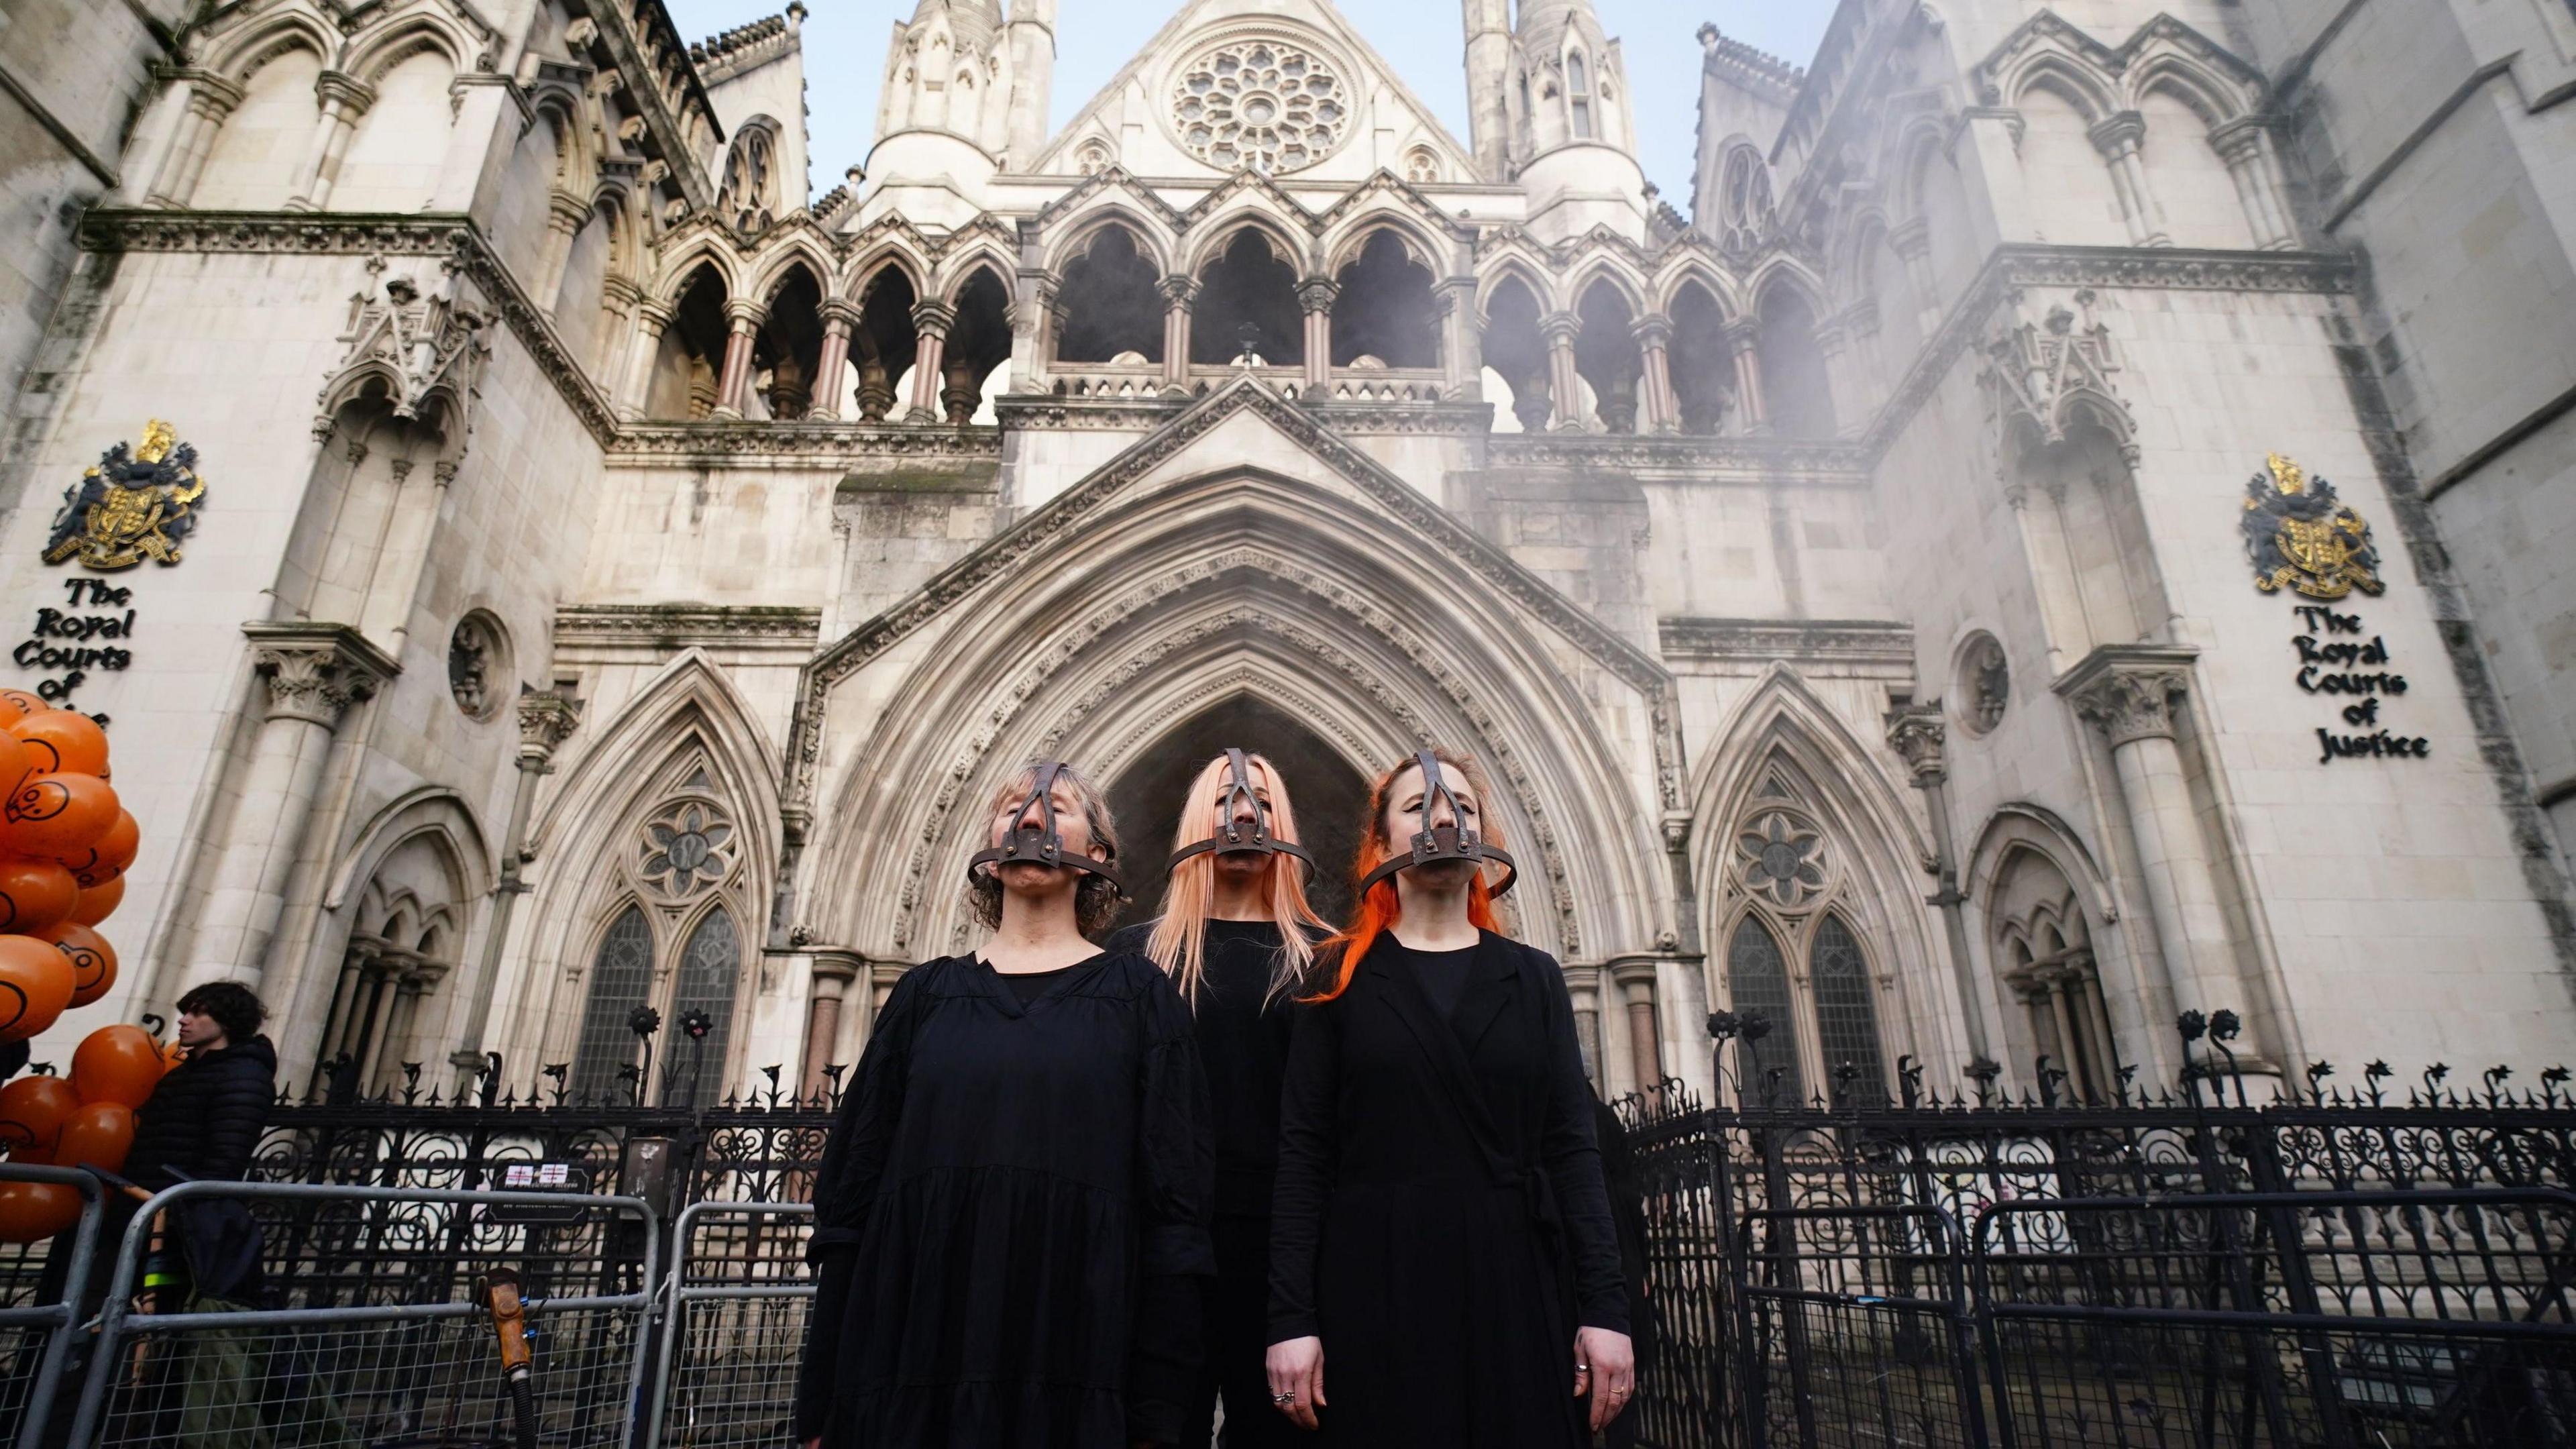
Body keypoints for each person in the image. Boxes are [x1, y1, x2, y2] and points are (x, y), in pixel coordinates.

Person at [796, 760, 1216, 1449]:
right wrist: (820, 1404)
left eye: (1059, 806)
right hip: (915, 1356)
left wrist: (1156, 1414)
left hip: (1075, 1357)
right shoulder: (924, 998)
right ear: (988, 854)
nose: (1032, 818)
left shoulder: (1140, 997)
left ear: (1098, 857)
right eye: (1015, 805)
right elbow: (849, 1203)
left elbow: (1177, 1210)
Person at [1266, 750, 1633, 1446]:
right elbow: (1303, 1156)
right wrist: (1292, 1320)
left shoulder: (1534, 978)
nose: (1444, 818)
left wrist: (1606, 1310)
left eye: (1462, 807)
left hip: (1514, 1280)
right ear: (1379, 845)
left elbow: (1573, 1150)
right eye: (1418, 808)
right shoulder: (1334, 979)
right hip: (1376, 1281)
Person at [1108, 750, 1332, 1449]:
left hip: (1284, 1253)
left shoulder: (1326, 960)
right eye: (1226, 800)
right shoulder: (1136, 957)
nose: (1243, 814)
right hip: (1159, 1250)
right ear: (1195, 822)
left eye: (1263, 802)